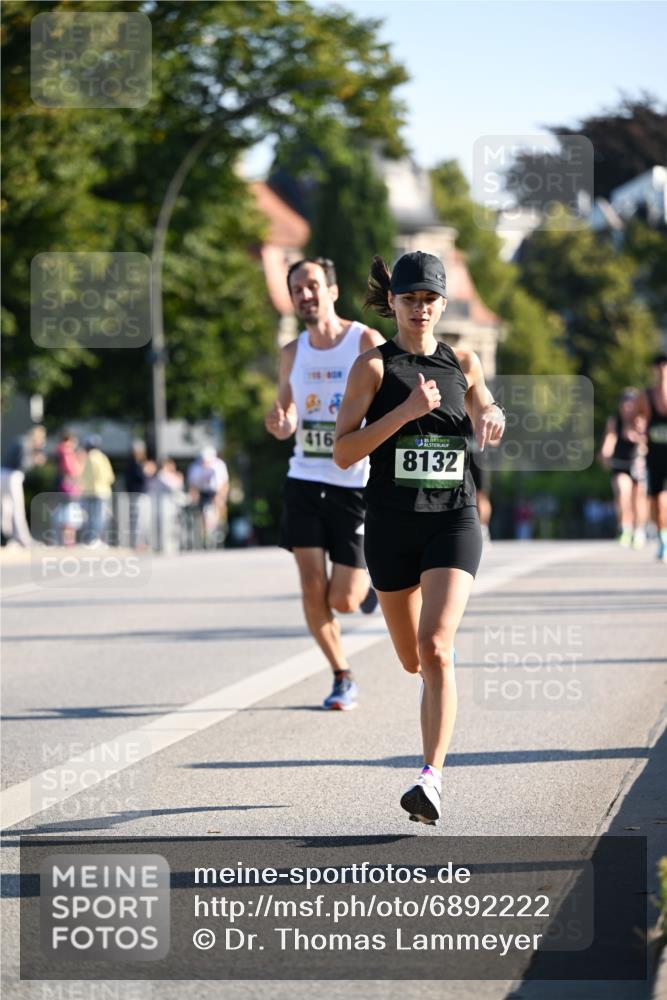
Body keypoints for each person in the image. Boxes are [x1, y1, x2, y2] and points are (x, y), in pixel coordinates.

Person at [333, 251, 505, 823]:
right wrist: (405, 413)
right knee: (412, 660)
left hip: (452, 521)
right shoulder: (373, 369)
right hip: (390, 526)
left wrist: (492, 414)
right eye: (409, 299)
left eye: (430, 299)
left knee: (436, 649)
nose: (420, 309)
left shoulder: (465, 362)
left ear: (441, 303)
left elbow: (484, 404)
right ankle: (433, 698)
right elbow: (343, 451)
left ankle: (430, 779)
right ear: (393, 303)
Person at [264, 256, 384, 711]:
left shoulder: (364, 341)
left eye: (312, 285)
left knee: (345, 599)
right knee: (312, 586)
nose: (305, 295)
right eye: (297, 289)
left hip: (353, 485)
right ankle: (342, 674)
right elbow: (287, 415)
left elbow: (386, 405)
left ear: (332, 291)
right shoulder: (292, 353)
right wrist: (280, 423)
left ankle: (367, 586)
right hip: (303, 480)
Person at [598, 388, 647, 548]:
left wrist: (638, 440)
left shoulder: (642, 420)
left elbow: (649, 444)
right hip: (620, 464)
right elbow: (610, 439)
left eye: (630, 404)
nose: (627, 408)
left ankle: (639, 530)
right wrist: (605, 454)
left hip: (639, 465)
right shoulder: (615, 420)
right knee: (622, 492)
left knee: (638, 500)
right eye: (624, 404)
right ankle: (625, 527)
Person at [637, 354, 667, 562]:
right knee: (656, 500)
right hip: (655, 455)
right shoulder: (646, 395)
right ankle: (663, 538)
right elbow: (639, 421)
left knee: (665, 499)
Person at [186, 447, 229, 549]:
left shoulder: (219, 465)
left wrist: (220, 497)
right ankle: (203, 533)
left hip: (216, 489)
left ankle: (222, 525)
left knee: (220, 504)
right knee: (199, 510)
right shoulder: (195, 467)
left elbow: (224, 484)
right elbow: (192, 486)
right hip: (202, 491)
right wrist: (194, 497)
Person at [80, 435, 116, 543]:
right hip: (103, 491)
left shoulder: (88, 458)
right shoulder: (102, 457)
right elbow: (110, 477)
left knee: (91, 517)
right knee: (99, 517)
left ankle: (91, 539)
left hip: (89, 492)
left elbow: (83, 476)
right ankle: (96, 539)